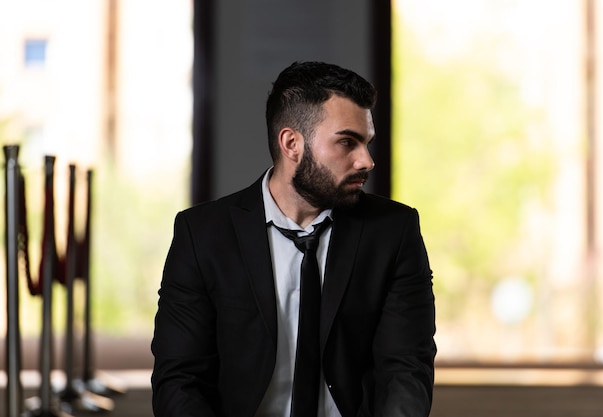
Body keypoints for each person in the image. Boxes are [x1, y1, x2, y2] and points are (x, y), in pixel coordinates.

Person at [151, 61, 436, 417]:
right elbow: (180, 379)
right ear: (291, 143)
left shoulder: (394, 231)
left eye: (367, 143)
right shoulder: (203, 235)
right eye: (347, 142)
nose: (366, 161)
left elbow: (406, 369)